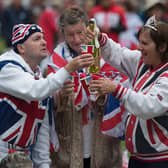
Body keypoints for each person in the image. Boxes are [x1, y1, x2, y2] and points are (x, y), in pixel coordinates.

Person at [0, 23, 94, 168]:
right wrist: (68, 68)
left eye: (43, 38)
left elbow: (41, 129)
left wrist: (43, 163)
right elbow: (36, 91)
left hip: (24, 155)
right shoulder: (6, 67)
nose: (44, 42)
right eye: (37, 39)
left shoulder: (37, 76)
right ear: (21, 48)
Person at [48, 6, 123, 168]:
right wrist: (60, 95)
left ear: (88, 28)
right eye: (70, 34)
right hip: (69, 142)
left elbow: (121, 94)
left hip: (103, 141)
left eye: (80, 32)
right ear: (63, 34)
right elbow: (47, 100)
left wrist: (104, 91)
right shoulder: (56, 60)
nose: (76, 39)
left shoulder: (107, 53)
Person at [89, 15, 168, 168]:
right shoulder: (144, 62)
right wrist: (99, 38)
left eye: (145, 43)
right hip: (138, 159)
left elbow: (147, 106)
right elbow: (119, 54)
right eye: (140, 42)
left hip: (159, 161)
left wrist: (116, 89)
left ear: (162, 47)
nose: (139, 47)